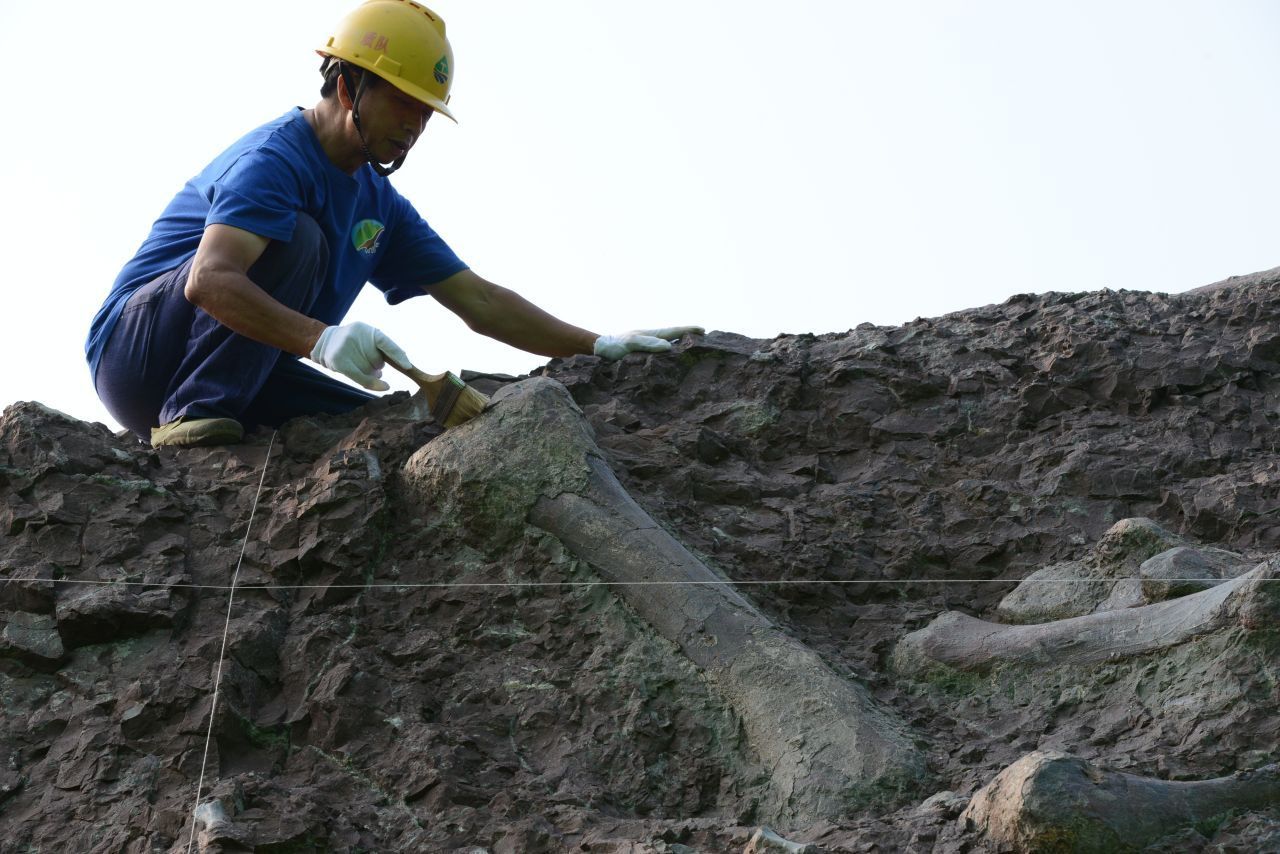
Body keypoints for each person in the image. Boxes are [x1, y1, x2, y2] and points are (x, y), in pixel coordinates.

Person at [86, 0, 700, 448]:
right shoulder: (274, 159)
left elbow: (480, 301)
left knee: (383, 420)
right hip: (138, 355)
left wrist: (597, 346)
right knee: (300, 241)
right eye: (403, 102)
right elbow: (209, 281)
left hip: (246, 366)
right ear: (348, 83)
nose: (416, 124)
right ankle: (193, 420)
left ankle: (220, 415)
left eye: (426, 112)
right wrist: (319, 340)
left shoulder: (380, 204)